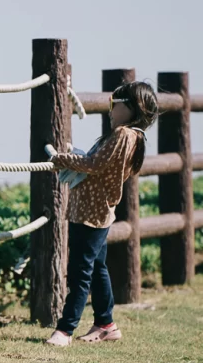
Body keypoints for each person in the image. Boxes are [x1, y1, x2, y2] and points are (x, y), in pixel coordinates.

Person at [46, 81, 159, 346]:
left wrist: (62, 159)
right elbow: (100, 165)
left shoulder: (124, 135)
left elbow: (94, 165)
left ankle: (65, 330)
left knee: (80, 272)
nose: (109, 110)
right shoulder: (131, 136)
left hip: (91, 214)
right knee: (96, 269)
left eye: (113, 104)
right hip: (95, 212)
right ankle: (106, 324)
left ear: (132, 107)